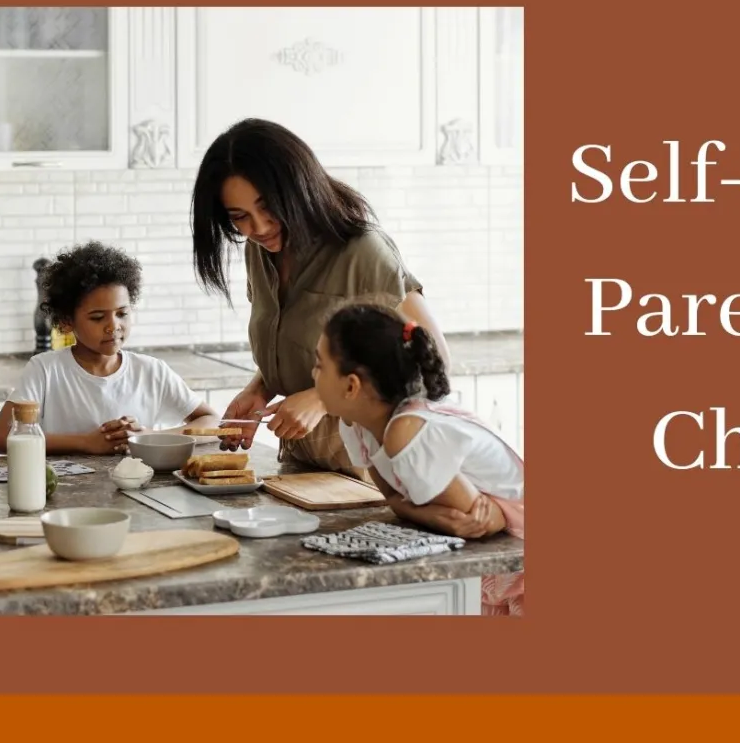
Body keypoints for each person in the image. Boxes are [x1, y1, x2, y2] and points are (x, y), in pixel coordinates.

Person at [190, 118, 450, 478]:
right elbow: (309, 347)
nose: (259, 227)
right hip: (304, 465)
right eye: (240, 217)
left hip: (371, 473)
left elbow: (430, 365)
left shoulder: (363, 250)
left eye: (268, 207)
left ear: (298, 189)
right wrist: (260, 388)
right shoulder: (261, 250)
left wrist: (320, 400)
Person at [313, 303, 524, 615]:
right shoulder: (357, 425)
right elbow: (395, 501)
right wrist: (425, 513)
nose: (312, 374)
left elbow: (471, 522)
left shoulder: (407, 432)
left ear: (351, 385)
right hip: (492, 558)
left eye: (319, 366)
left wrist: (416, 511)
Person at [0, 240, 221, 456]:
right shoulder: (45, 370)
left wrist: (149, 436)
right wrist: (86, 442)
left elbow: (211, 422)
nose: (113, 326)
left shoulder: (151, 371)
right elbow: (1, 436)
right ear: (67, 321)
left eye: (122, 314)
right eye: (98, 317)